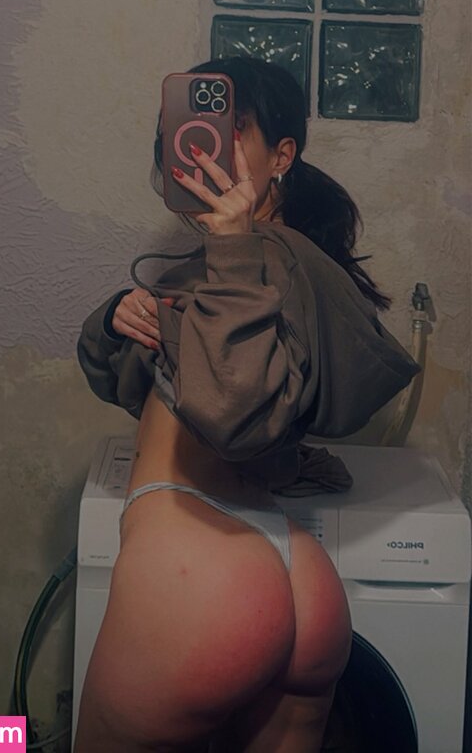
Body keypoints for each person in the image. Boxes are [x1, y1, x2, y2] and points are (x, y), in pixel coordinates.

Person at [75, 58, 419, 753]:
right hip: (294, 569)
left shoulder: (252, 259)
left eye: (233, 131)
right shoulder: (290, 263)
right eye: (183, 127)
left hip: (194, 561)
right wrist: (115, 318)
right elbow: (141, 384)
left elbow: (234, 417)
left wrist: (230, 247)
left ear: (282, 156)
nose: (198, 144)